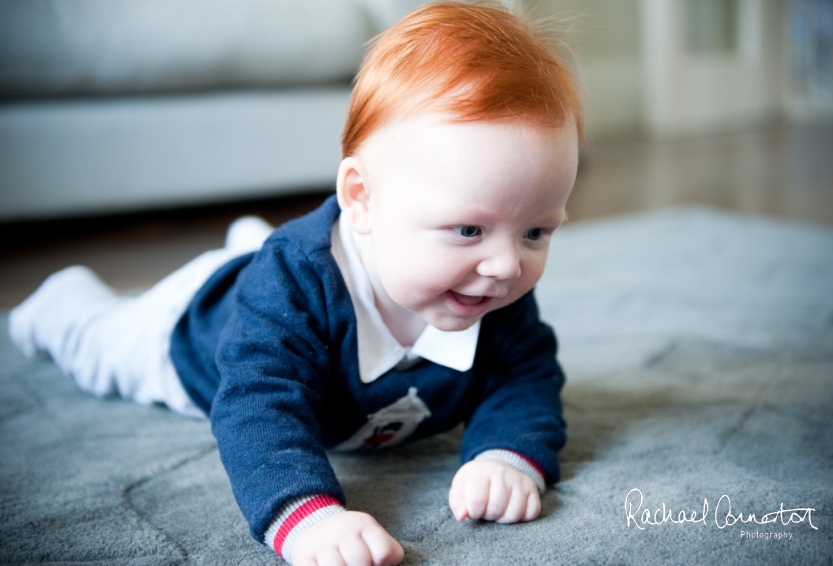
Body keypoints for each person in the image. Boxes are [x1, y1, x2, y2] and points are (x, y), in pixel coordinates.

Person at [8, 2, 583, 565]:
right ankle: (67, 305)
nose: (507, 265)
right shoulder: (293, 287)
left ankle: (249, 244)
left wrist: (508, 456)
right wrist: (309, 516)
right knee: (100, 348)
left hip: (277, 280)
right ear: (361, 199)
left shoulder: (490, 286)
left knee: (273, 271)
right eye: (468, 228)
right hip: (190, 331)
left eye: (535, 231)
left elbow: (527, 378)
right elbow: (258, 409)